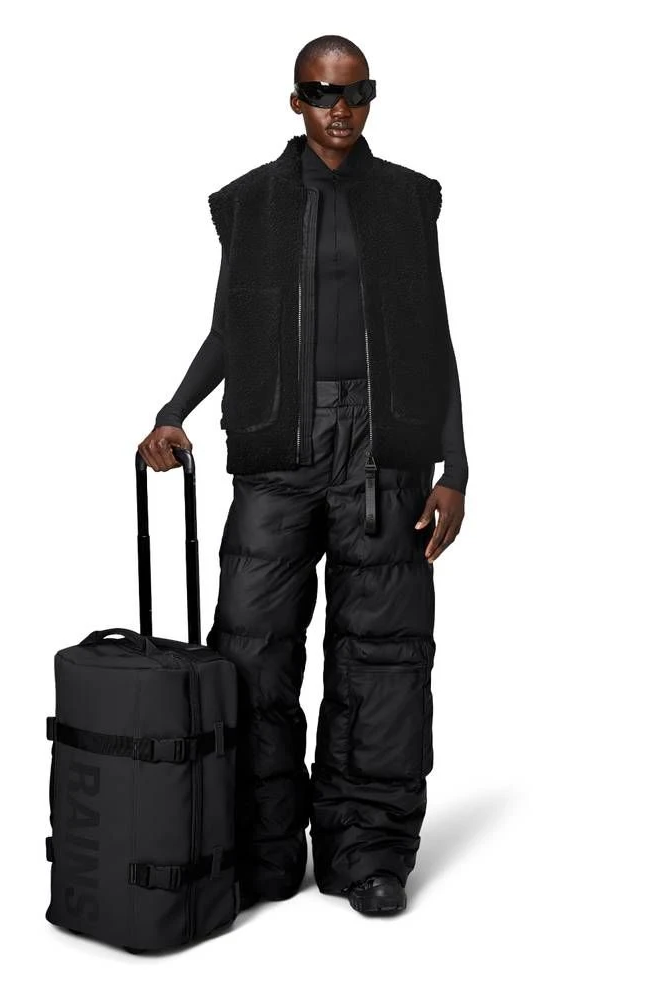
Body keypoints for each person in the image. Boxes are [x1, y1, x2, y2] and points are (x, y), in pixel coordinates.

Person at [137, 35, 468, 917]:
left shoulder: (407, 200)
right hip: (277, 445)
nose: (339, 110)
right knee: (250, 654)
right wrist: (172, 411)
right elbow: (228, 331)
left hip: (384, 452)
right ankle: (261, 852)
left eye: (355, 93)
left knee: (383, 660)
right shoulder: (250, 202)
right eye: (322, 94)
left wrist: (457, 467)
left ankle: (369, 853)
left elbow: (434, 337)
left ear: (371, 99)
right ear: (296, 100)